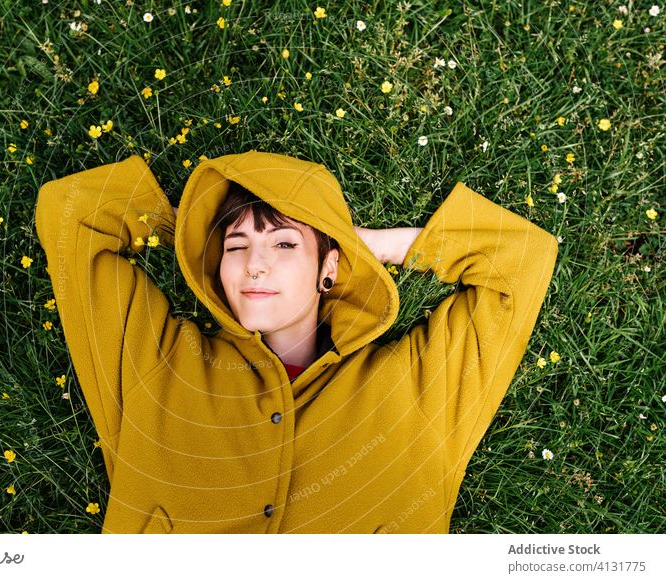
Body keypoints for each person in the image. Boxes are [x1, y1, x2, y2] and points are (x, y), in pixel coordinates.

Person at [34, 150, 558, 534]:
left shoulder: (412, 391)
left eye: (284, 242)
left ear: (328, 267)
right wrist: (191, 234)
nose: (254, 263)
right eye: (235, 245)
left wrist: (365, 244)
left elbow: (523, 258)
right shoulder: (163, 365)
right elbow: (72, 216)